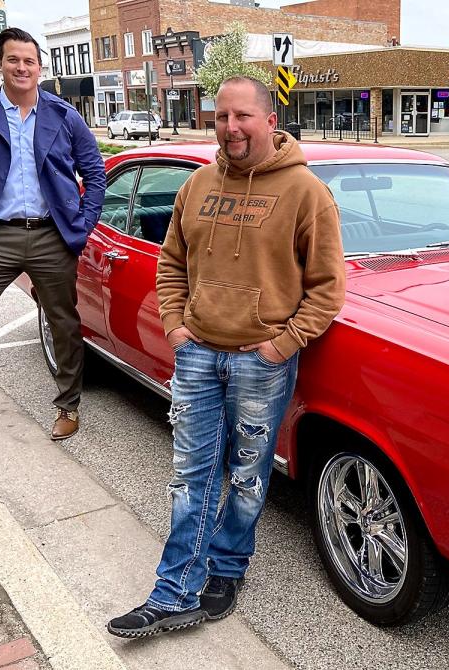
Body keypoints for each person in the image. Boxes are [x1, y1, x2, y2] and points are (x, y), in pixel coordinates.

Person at [107, 76, 345, 638]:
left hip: (259, 363)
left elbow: (328, 288)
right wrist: (176, 327)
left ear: (268, 119)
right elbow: (171, 264)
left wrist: (279, 346)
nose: (230, 128)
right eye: (220, 117)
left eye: (241, 117)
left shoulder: (306, 192)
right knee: (192, 477)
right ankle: (173, 591)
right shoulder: (197, 186)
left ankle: (228, 568)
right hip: (197, 355)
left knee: (245, 476)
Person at [0, 28, 105, 440]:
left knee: (63, 324)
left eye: (29, 61)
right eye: (13, 60)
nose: (21, 67)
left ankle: (68, 406)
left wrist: (83, 223)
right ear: (1, 65)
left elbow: (95, 173)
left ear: (39, 68)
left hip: (51, 236)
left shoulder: (64, 116)